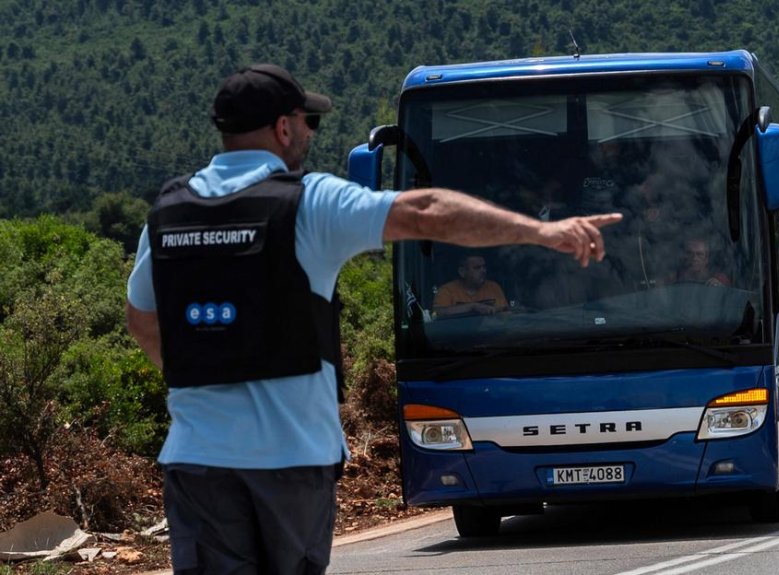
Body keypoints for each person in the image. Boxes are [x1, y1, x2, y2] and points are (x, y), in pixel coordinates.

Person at [124, 63, 621, 574]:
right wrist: (542, 233)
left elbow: (141, 320)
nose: (310, 135)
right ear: (283, 127)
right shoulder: (308, 202)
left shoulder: (168, 213)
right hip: (288, 459)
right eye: (308, 122)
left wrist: (202, 380)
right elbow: (427, 210)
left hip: (197, 458)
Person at [433, 254, 508, 317]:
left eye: (484, 267)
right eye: (477, 268)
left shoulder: (493, 287)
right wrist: (472, 307)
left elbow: (505, 313)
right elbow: (437, 312)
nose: (483, 271)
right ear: (462, 272)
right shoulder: (447, 290)